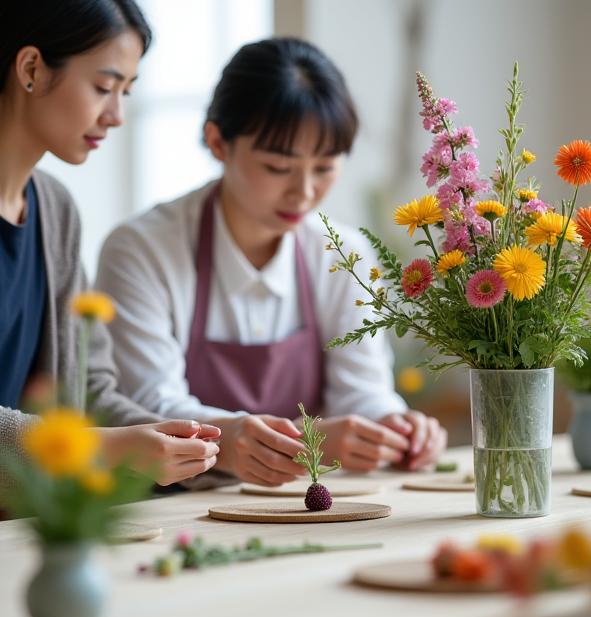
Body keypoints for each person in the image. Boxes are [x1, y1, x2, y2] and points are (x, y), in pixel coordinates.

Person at [97, 37, 448, 487]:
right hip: (169, 506)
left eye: (324, 167)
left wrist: (395, 425)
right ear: (218, 142)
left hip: (300, 504)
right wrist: (309, 436)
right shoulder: (142, 251)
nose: (303, 192)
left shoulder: (345, 254)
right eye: (279, 168)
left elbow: (362, 392)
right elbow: (150, 406)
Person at [0, 0, 220, 489]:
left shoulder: (54, 211)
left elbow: (91, 388)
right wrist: (102, 448)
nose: (117, 115)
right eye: (103, 87)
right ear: (32, 68)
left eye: (126, 91)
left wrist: (188, 439)